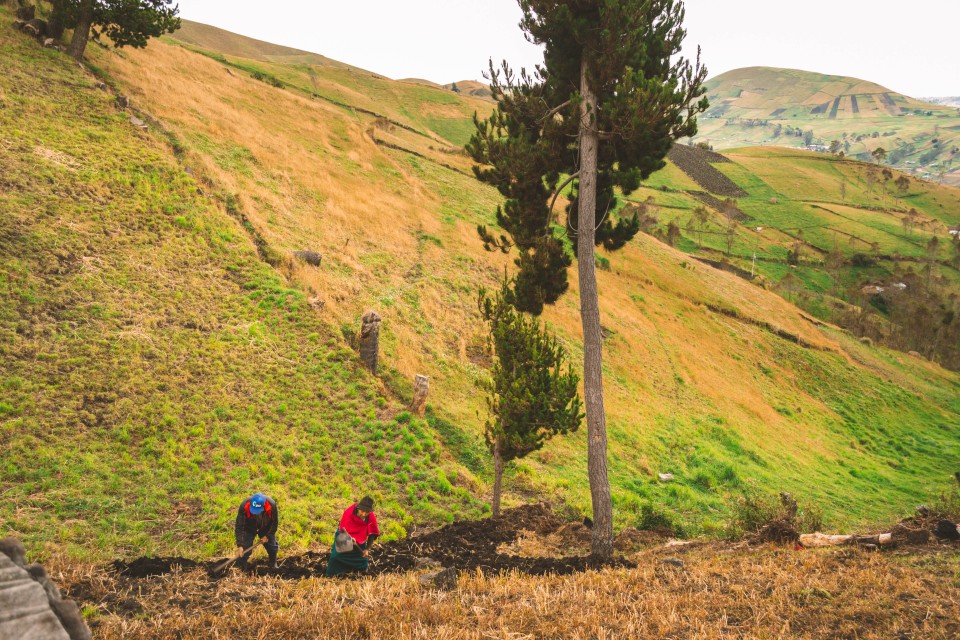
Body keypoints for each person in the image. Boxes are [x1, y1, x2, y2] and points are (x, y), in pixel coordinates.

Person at [325, 496, 380, 577]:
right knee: (336, 556)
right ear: (358, 508)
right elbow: (344, 530)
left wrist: (367, 549)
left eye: (367, 512)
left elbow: (372, 534)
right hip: (344, 536)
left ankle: (358, 574)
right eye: (362, 511)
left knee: (362, 560)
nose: (364, 514)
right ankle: (331, 575)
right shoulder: (348, 513)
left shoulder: (370, 516)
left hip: (360, 539)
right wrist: (349, 538)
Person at [234, 492, 279, 569]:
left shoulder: (271, 505)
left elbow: (274, 523)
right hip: (249, 526)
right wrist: (240, 545)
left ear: (263, 506)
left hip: (265, 526)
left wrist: (267, 536)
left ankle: (273, 563)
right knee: (244, 549)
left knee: (272, 546)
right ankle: (242, 567)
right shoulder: (244, 505)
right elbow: (239, 526)